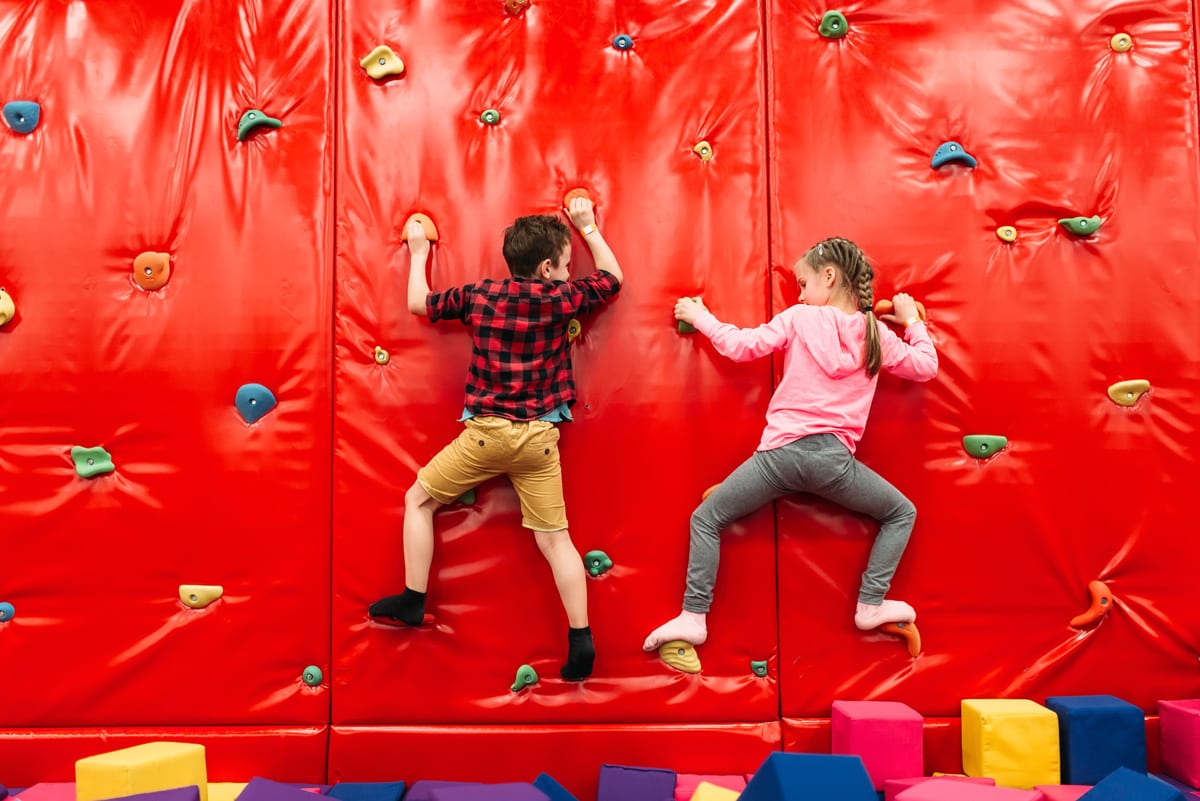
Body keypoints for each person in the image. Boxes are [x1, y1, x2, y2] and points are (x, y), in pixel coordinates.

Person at [642, 236, 937, 652]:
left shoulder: (799, 318)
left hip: (779, 457)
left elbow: (740, 347)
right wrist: (911, 320)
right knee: (901, 513)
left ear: (829, 277)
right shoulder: (876, 333)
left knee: (706, 519)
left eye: (803, 283)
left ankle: (694, 617)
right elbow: (926, 366)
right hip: (834, 463)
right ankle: (870, 604)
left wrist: (701, 316)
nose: (799, 293)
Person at [369, 197, 622, 682]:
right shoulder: (562, 299)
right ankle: (582, 641)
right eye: (567, 266)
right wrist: (588, 227)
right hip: (539, 441)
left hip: (486, 435)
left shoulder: (482, 296)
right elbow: (612, 279)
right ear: (548, 268)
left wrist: (419, 250)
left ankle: (412, 600)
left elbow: (419, 302)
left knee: (418, 501)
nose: (571, 274)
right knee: (556, 542)